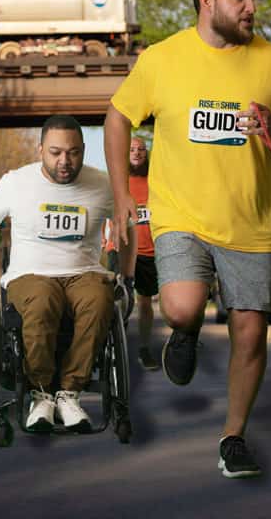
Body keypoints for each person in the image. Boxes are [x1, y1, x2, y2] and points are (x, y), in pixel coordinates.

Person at [104, 0, 271, 478]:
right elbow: (118, 117)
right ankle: (184, 330)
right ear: (207, 1)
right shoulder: (163, 58)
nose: (252, 7)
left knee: (249, 336)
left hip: (252, 223)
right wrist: (119, 194)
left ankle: (233, 437)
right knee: (179, 305)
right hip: (183, 215)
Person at [0, 115, 121, 432]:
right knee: (42, 301)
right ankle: (41, 395)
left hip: (84, 273)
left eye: (73, 152)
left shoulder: (103, 184)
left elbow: (128, 226)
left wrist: (129, 276)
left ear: (83, 150)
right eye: (55, 152)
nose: (64, 161)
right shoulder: (16, 182)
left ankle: (69, 394)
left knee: (100, 299)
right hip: (30, 274)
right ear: (40, 150)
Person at [109, 136, 160, 370]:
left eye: (141, 149)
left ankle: (144, 349)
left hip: (148, 250)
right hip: (120, 248)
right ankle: (112, 351)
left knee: (145, 302)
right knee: (116, 301)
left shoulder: (156, 181)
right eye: (132, 149)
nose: (137, 153)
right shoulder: (117, 181)